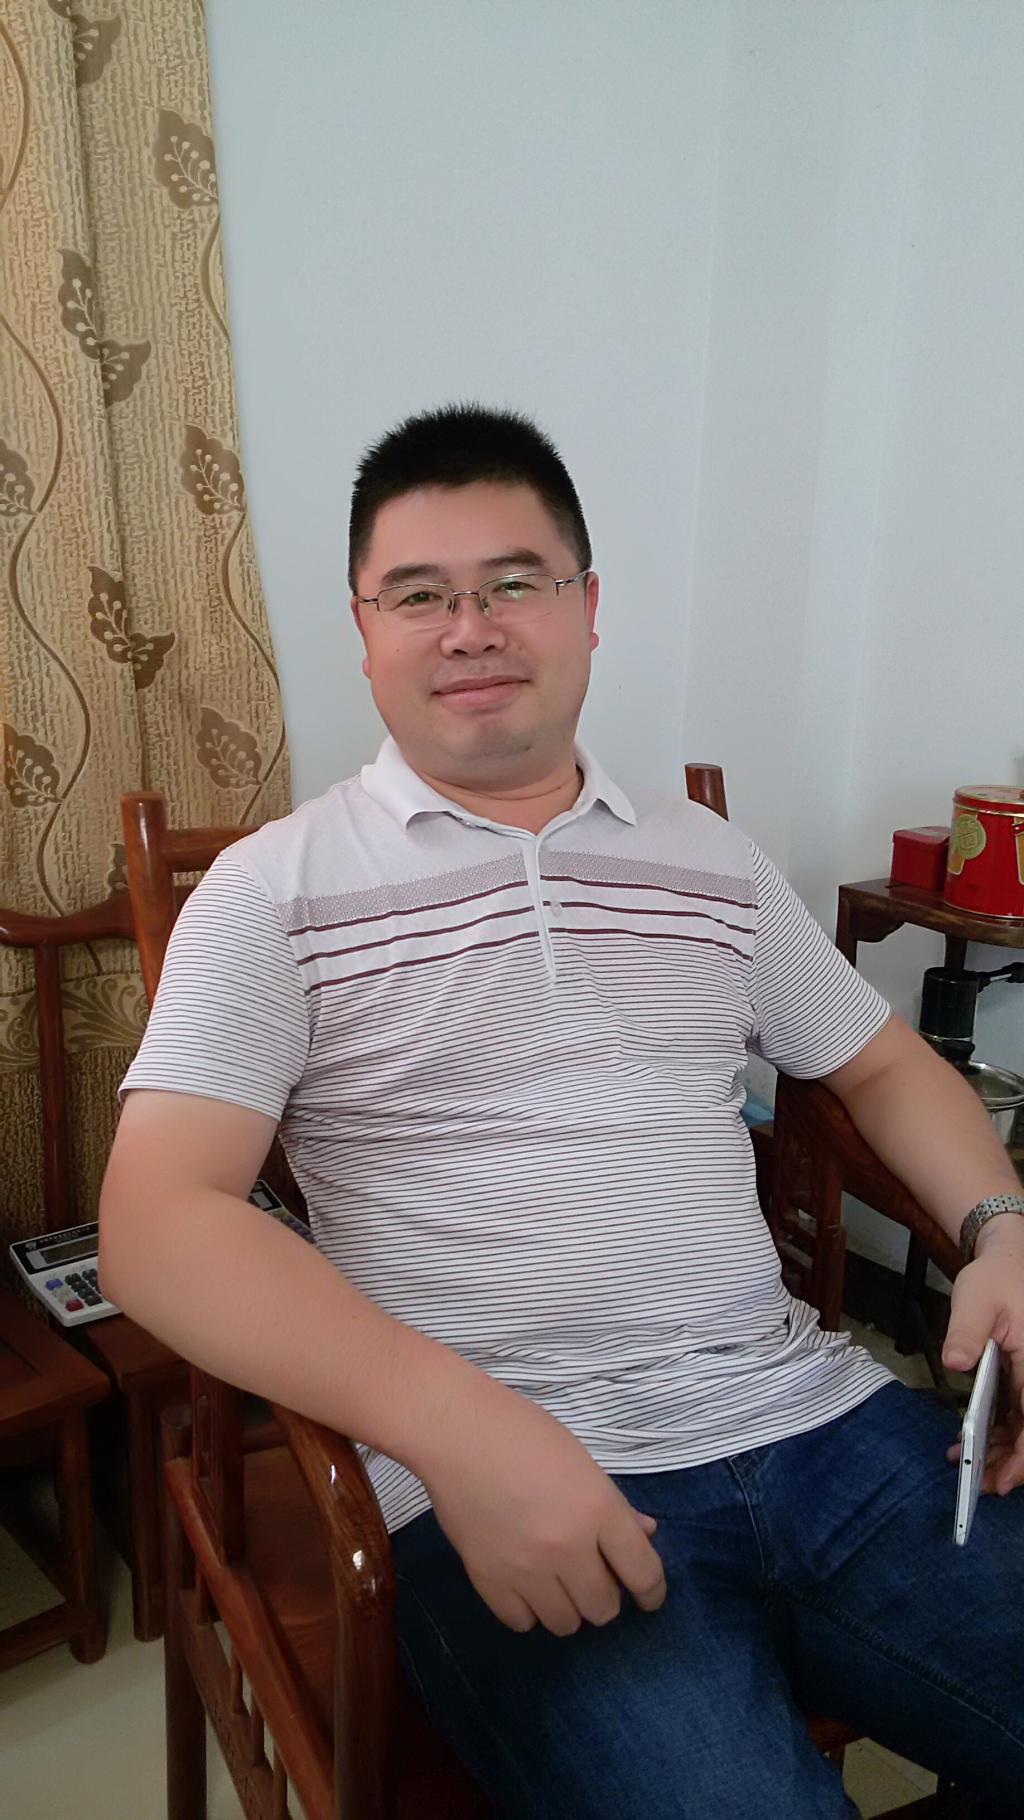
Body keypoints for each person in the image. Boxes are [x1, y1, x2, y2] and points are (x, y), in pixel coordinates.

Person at [100, 404, 1024, 1817]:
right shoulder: (274, 889)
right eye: (420, 595)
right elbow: (158, 1224)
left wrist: (1003, 1229)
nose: (470, 629)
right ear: (364, 633)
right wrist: (462, 1433)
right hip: (509, 1480)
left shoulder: (709, 858)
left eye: (515, 582)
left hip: (819, 1423)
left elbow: (884, 1066)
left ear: (589, 609)